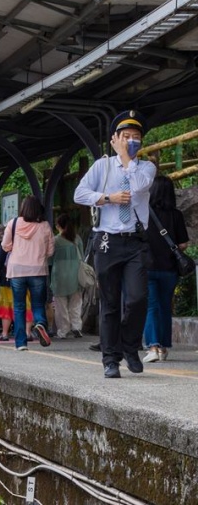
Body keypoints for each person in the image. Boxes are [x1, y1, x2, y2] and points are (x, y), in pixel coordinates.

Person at [74, 110, 156, 379]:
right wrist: (107, 197)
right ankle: (110, 359)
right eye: (126, 137)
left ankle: (130, 347)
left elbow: (140, 187)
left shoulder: (146, 167)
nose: (132, 141)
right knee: (109, 303)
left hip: (135, 241)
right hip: (107, 241)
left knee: (137, 298)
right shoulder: (102, 166)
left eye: (136, 138)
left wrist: (126, 158)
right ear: (114, 139)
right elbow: (80, 194)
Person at [142, 175, 189, 363]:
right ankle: (162, 348)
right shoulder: (176, 214)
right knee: (164, 308)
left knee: (151, 307)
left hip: (147, 267)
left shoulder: (143, 212)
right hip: (169, 269)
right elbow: (183, 244)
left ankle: (152, 346)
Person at [2, 196, 54, 352]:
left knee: (19, 307)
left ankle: (21, 343)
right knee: (38, 303)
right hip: (37, 270)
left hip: (17, 270)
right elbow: (51, 251)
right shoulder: (45, 226)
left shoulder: (13, 223)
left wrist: (15, 248)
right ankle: (40, 324)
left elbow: (5, 245)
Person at [51, 214, 84, 339]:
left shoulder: (56, 240)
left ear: (58, 225)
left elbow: (49, 259)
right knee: (76, 303)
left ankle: (63, 330)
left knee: (60, 305)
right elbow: (82, 256)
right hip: (76, 274)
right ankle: (76, 327)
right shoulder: (77, 239)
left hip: (59, 275)